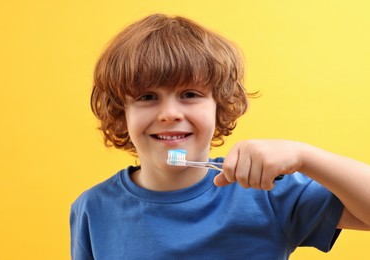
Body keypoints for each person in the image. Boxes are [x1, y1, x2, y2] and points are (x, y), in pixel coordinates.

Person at [70, 13, 370, 259]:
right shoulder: (92, 209)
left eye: (190, 94)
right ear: (122, 113)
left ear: (220, 107)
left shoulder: (265, 190)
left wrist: (306, 157)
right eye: (147, 97)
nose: (169, 113)